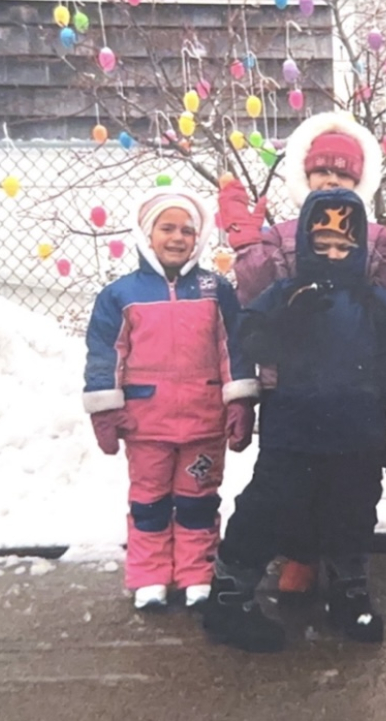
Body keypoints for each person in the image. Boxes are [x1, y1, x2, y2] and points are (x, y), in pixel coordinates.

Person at [217, 111, 386, 599]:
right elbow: (254, 302)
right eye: (324, 172)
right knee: (287, 488)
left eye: (343, 174)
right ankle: (295, 560)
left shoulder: (376, 238)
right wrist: (250, 245)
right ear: (305, 174)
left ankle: (347, 576)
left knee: (349, 496)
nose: (333, 180)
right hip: (291, 387)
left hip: (357, 392)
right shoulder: (282, 234)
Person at [200, 188, 386, 653]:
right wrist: (283, 321)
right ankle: (229, 594)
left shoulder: (375, 301)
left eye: (343, 248)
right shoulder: (286, 293)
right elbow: (252, 337)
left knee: (353, 511)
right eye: (321, 246)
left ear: (360, 251)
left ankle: (349, 589)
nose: (332, 256)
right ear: (304, 247)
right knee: (267, 509)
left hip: (357, 433)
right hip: (293, 430)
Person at [83, 187, 259, 611]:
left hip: (204, 421)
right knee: (149, 500)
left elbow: (233, 347)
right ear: (147, 234)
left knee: (198, 500)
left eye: (187, 230)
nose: (178, 238)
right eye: (167, 228)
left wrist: (239, 400)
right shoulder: (120, 295)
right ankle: (150, 575)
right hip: (146, 424)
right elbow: (105, 354)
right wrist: (105, 408)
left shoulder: (214, 289)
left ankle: (197, 573)